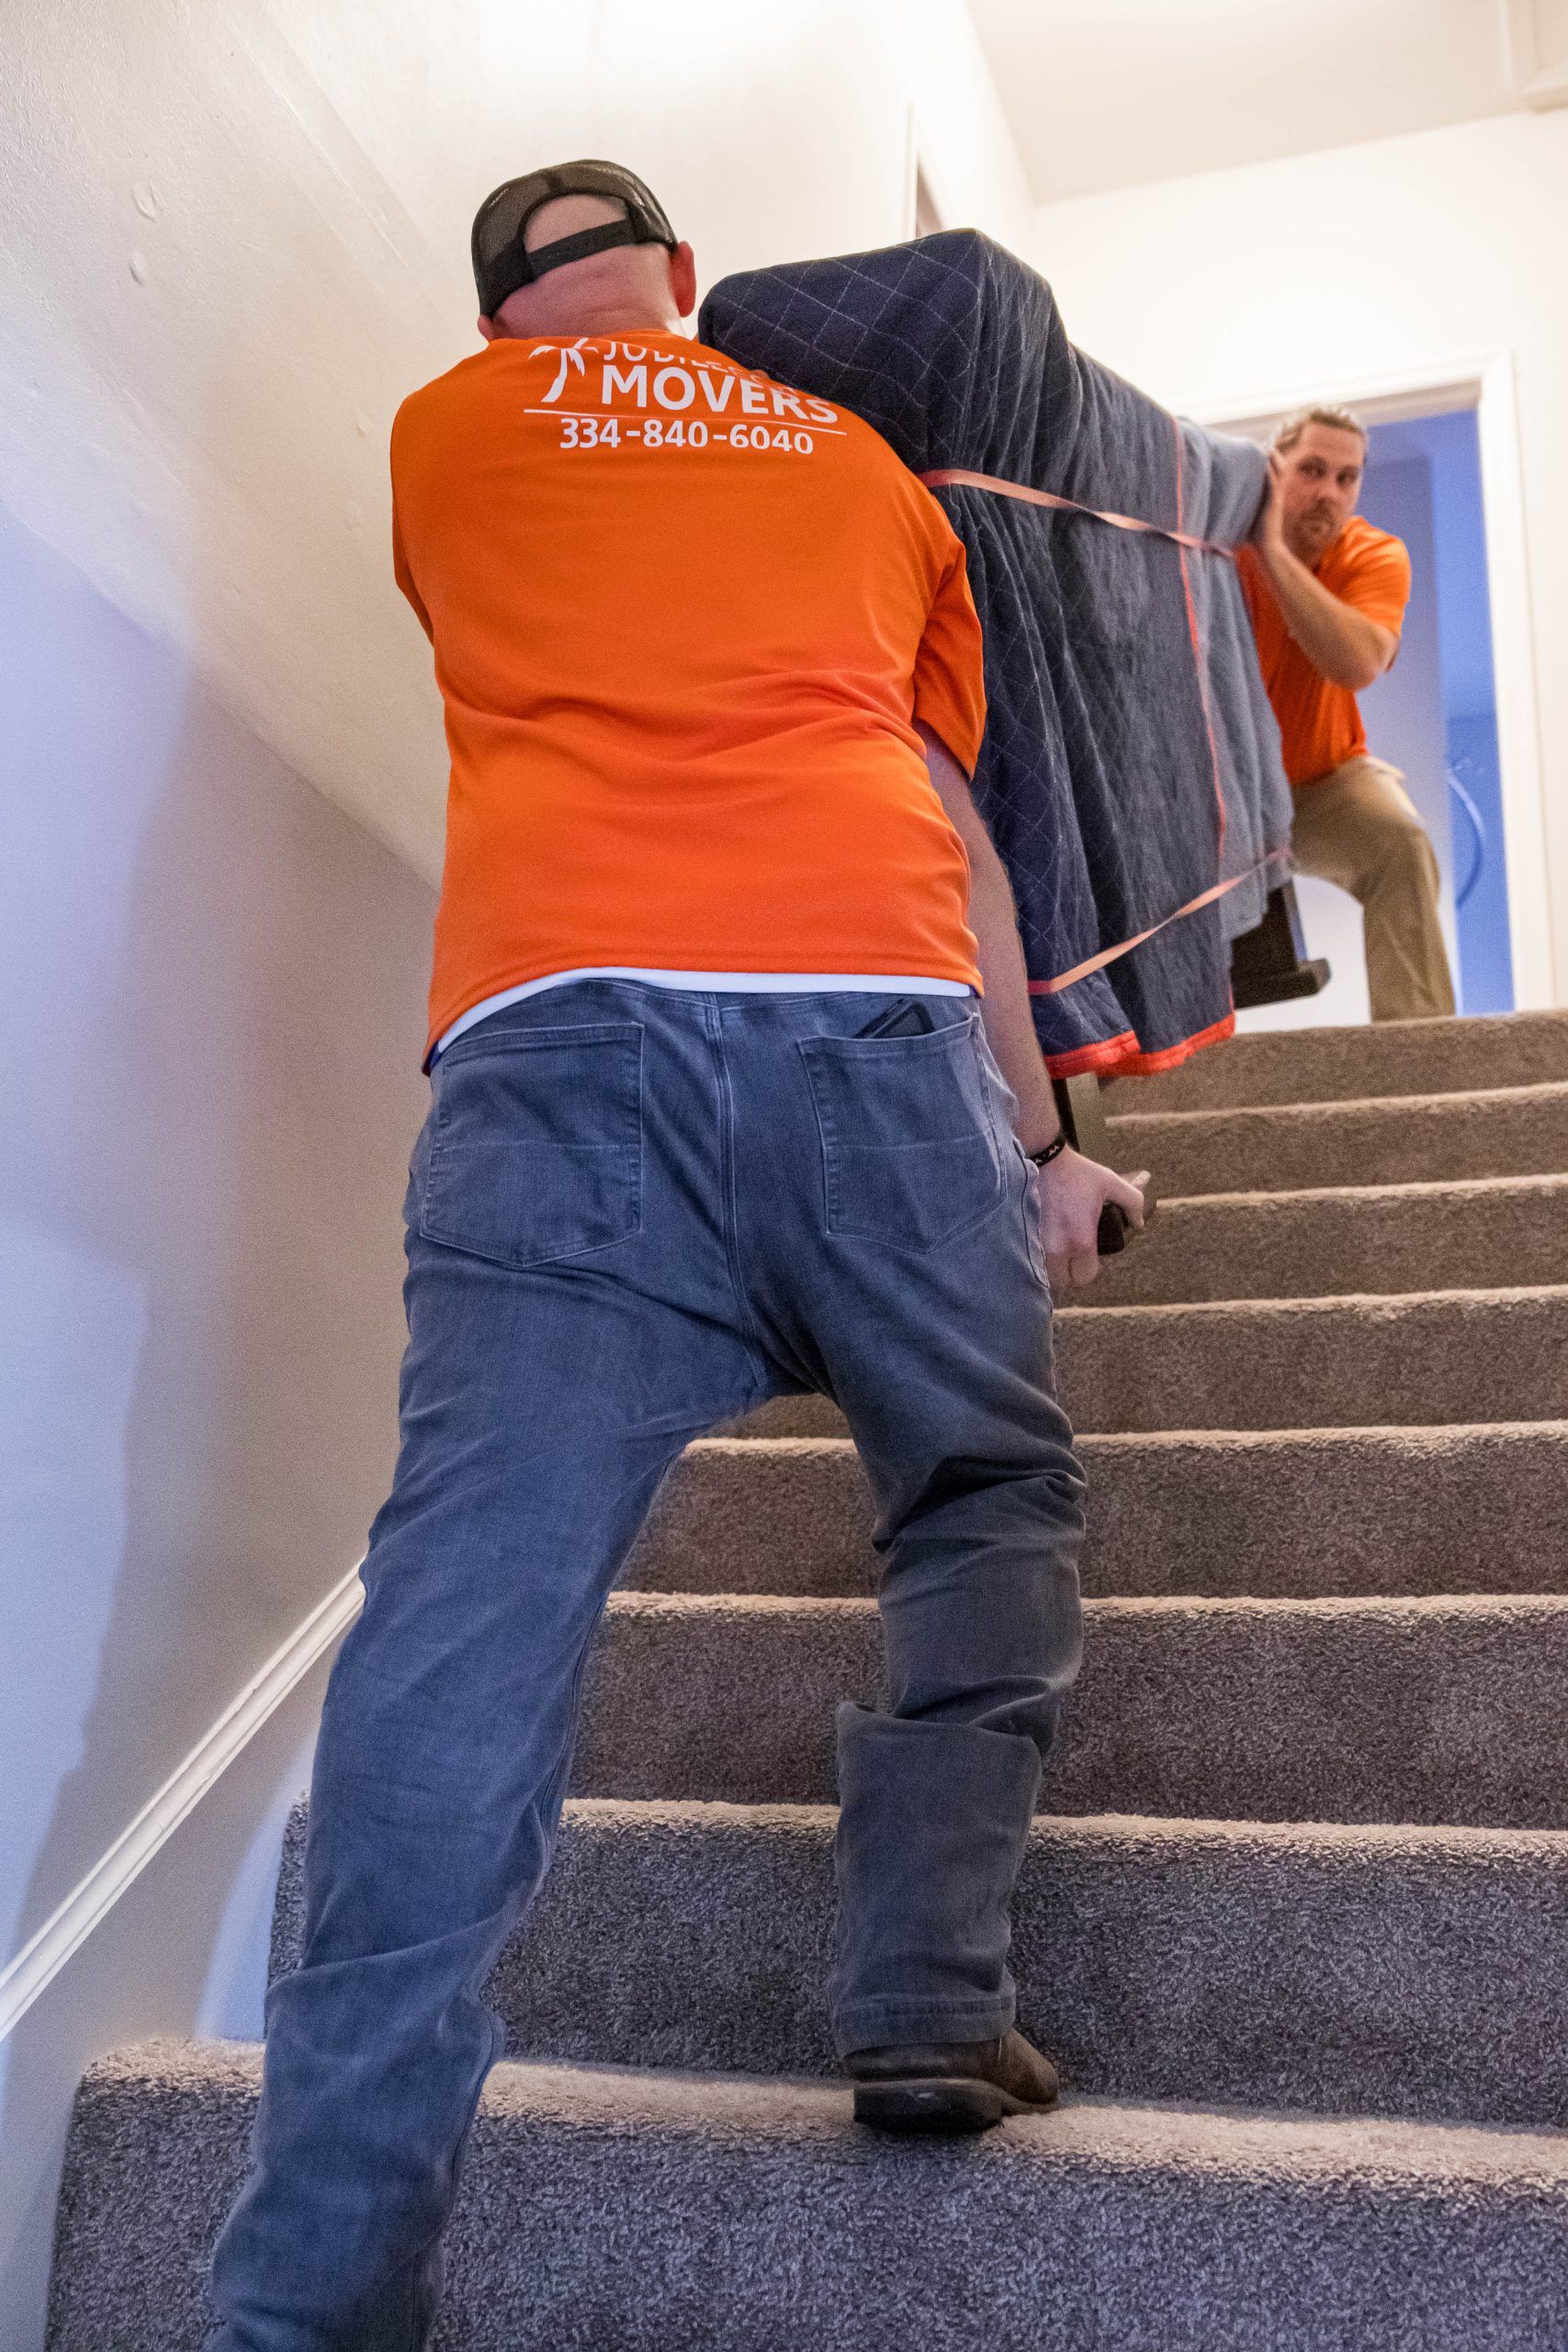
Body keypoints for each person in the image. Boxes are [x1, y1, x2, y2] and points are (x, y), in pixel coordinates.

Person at [207, 159, 1145, 2350]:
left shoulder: (440, 436)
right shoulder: (861, 473)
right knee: (980, 1482)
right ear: (687, 285)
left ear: (495, 311)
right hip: (872, 1019)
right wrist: (1044, 1142)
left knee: (465, 1614)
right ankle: (924, 1986)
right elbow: (946, 822)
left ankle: (305, 2301)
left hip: (555, 1053)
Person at [1239, 405, 1456, 1022]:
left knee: (1399, 842)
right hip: (1218, 799)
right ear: (1272, 471)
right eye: (1311, 470)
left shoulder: (1374, 554)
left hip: (1324, 783)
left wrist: (1272, 554)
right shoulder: (1214, 554)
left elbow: (1356, 663)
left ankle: (1420, 1061)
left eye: (1346, 477)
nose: (1328, 493)